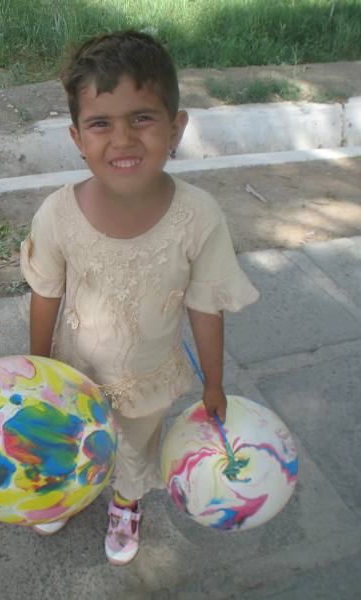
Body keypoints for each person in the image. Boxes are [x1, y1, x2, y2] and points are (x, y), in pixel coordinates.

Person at [20, 31, 259, 565]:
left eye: (142, 118)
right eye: (101, 123)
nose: (122, 138)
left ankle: (127, 502)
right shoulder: (58, 213)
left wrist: (214, 383)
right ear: (77, 137)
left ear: (176, 128)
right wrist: (39, 369)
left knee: (135, 446)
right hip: (73, 372)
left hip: (148, 377)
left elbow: (205, 303)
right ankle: (65, 490)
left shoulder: (199, 217)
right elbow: (46, 292)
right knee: (68, 442)